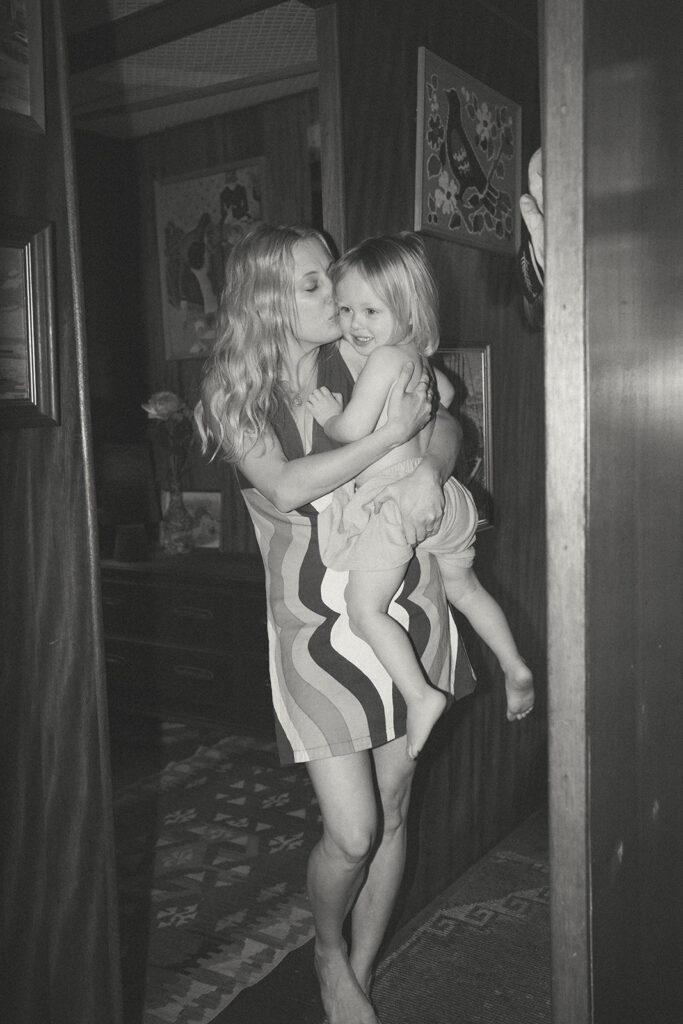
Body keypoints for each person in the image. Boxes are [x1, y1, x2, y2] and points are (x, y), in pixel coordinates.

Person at [195, 223, 473, 1024]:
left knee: (392, 810)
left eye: (330, 279)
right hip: (314, 626)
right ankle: (324, 945)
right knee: (350, 832)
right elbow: (284, 487)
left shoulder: (357, 348)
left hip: (402, 601)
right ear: (268, 299)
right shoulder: (233, 392)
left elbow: (445, 414)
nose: (336, 296)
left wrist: (428, 462)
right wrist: (391, 438)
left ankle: (355, 965)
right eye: (313, 283)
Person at [307, 233, 534, 759]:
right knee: (467, 589)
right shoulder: (415, 360)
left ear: (408, 312)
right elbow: (448, 396)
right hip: (445, 499)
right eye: (345, 310)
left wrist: (328, 416)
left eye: (370, 310)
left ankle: (421, 695)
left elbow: (352, 428)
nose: (356, 324)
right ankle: (515, 665)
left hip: (397, 502)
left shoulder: (385, 360)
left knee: (364, 609)